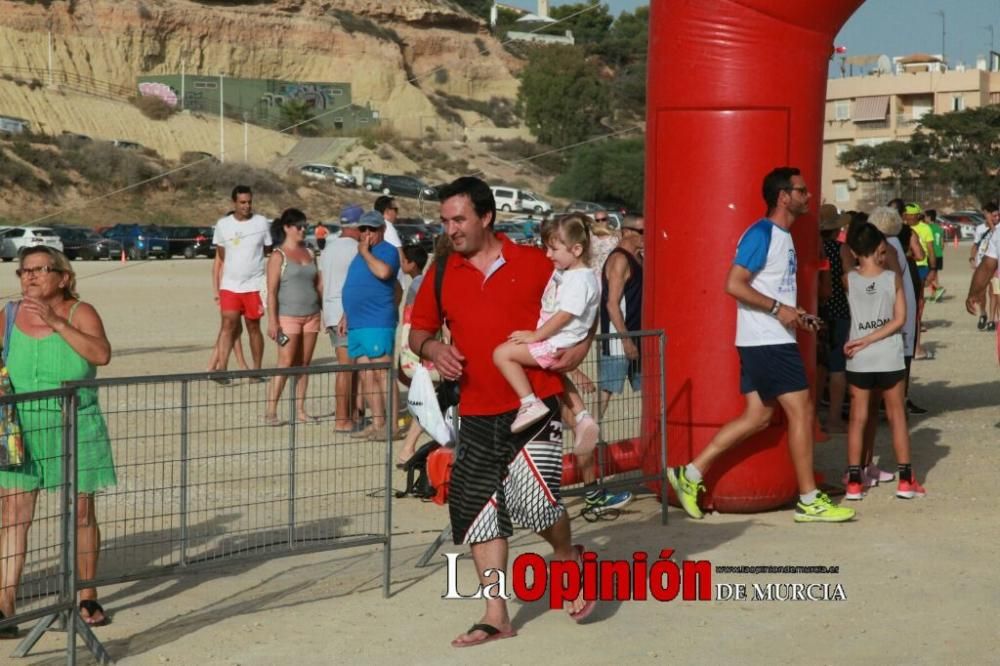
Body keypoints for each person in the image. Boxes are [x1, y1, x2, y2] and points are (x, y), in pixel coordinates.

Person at [409, 177, 595, 648]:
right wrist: (433, 347)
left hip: (533, 407)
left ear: (486, 217)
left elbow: (581, 309)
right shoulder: (442, 272)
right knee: (477, 511)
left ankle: (566, 555)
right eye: (445, 220)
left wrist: (580, 350)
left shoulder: (537, 263)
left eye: (459, 219)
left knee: (535, 503)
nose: (450, 229)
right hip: (471, 411)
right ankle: (497, 614)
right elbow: (418, 332)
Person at [667, 167, 855, 524]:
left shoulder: (782, 236)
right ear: (784, 196)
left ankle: (689, 474)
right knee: (802, 410)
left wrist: (796, 314)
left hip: (766, 338)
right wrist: (777, 309)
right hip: (766, 341)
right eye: (801, 191)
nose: (808, 196)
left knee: (759, 416)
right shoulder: (762, 233)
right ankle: (809, 500)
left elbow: (771, 292)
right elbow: (733, 284)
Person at [0, 247, 116, 631]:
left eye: (39, 270)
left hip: (74, 422)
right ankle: (5, 607)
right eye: (24, 271)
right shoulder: (10, 315)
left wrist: (56, 322)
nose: (30, 277)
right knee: (14, 515)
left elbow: (101, 355)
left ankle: (86, 596)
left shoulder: (80, 312)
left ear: (63, 277)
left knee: (81, 512)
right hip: (21, 426)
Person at [493, 214, 600, 435]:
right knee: (556, 375)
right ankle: (582, 416)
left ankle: (529, 402)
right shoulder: (573, 273)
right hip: (558, 342)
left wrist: (536, 335)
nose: (548, 255)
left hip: (553, 342)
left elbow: (565, 314)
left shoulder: (578, 279)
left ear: (576, 250)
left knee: (502, 354)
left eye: (554, 249)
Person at [842, 220, 925, 501]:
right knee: (897, 416)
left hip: (859, 358)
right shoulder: (892, 278)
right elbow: (901, 319)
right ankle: (906, 479)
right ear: (880, 246)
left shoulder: (849, 279)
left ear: (854, 250)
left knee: (858, 418)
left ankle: (854, 480)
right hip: (889, 356)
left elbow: (846, 255)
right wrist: (874, 338)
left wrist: (863, 339)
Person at [341, 210, 400, 440]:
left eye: (371, 229)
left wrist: (365, 253)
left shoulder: (387, 251)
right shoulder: (361, 254)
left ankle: (393, 426)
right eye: (363, 229)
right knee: (366, 375)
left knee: (383, 374)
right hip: (357, 323)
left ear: (382, 230)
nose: (366, 233)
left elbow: (384, 273)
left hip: (377, 322)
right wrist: (346, 315)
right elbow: (355, 285)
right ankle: (378, 423)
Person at [263, 209, 322, 425]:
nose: (303, 230)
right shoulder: (278, 255)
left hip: (312, 314)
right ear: (287, 227)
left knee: (304, 364)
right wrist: (272, 321)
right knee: (285, 362)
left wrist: (325, 310)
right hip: (288, 317)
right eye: (299, 226)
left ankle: (300, 409)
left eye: (305, 226)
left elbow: (318, 284)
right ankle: (271, 410)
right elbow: (271, 291)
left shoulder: (310, 252)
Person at [211, 185, 272, 381]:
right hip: (230, 285)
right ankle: (222, 369)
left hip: (254, 285)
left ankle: (255, 370)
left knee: (253, 326)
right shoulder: (223, 225)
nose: (246, 206)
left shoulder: (262, 222)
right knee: (228, 324)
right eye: (242, 202)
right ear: (234, 203)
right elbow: (221, 254)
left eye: (249, 202)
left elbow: (267, 249)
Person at [319, 205, 363, 432]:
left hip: (331, 312)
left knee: (349, 367)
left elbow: (321, 284)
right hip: (346, 314)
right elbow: (356, 286)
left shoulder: (328, 248)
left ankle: (352, 414)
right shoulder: (357, 249)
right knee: (346, 368)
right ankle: (342, 418)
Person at [597, 215, 644, 419]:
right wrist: (626, 341)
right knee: (607, 390)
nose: (646, 236)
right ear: (626, 232)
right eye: (642, 232)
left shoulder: (639, 258)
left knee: (648, 387)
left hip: (640, 334)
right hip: (619, 338)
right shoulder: (619, 260)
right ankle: (591, 434)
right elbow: (612, 304)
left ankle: (653, 435)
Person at [817, 205, 851, 434]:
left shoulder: (812, 248)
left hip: (817, 310)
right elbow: (849, 280)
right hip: (838, 310)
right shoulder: (841, 249)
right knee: (838, 365)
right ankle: (834, 418)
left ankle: (814, 416)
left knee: (819, 363)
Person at [966, 206, 1000, 340]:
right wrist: (973, 293)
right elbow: (987, 266)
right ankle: (987, 316)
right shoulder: (997, 234)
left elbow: (987, 266)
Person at [925, 209, 945, 302]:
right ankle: (934, 296)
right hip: (939, 254)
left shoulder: (927, 228)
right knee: (935, 274)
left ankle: (939, 288)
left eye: (925, 217)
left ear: (929, 217)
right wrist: (939, 251)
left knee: (928, 275)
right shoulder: (940, 228)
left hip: (931, 254)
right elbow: (942, 244)